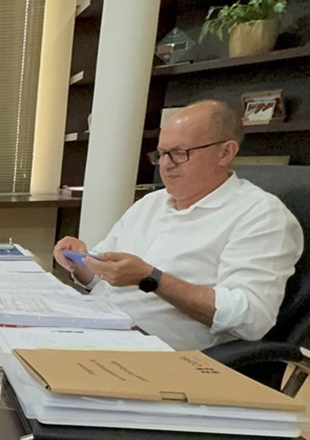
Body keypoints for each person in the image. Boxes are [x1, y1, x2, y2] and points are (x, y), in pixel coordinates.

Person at [54, 100, 302, 351]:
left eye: (180, 153)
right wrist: (81, 263)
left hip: (155, 352)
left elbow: (250, 318)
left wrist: (152, 279)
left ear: (225, 153)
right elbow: (104, 282)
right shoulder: (150, 203)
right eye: (162, 153)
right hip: (97, 326)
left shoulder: (260, 215)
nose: (166, 164)